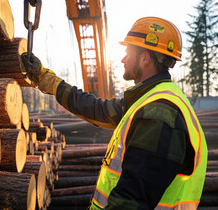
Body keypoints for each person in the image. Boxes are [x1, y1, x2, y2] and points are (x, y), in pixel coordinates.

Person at [21, 17, 208, 210]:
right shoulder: (148, 100)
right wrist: (46, 80)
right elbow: (97, 109)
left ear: (145, 58)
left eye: (128, 53)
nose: (123, 59)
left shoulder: (158, 113)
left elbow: (132, 200)